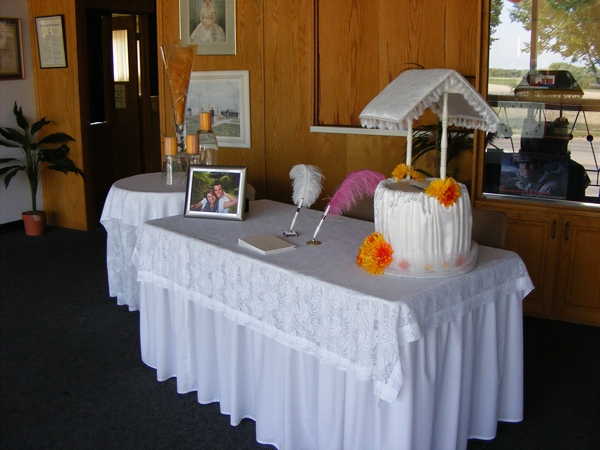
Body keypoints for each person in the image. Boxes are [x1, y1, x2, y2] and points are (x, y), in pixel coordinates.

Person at [501, 151, 568, 199]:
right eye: (522, 163)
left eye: (530, 163)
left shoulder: (550, 186)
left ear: (540, 165)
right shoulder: (524, 183)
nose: (525, 167)